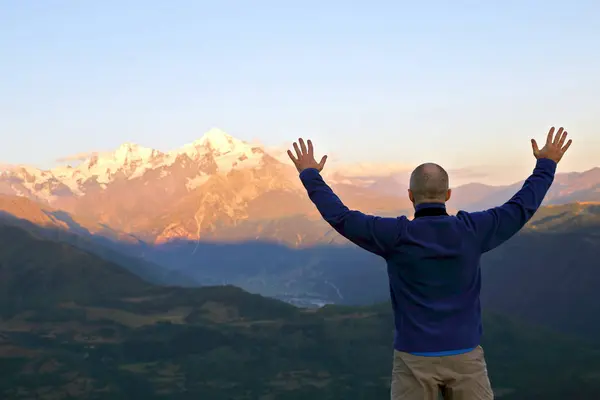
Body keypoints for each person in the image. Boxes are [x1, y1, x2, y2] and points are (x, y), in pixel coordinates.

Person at [287, 127, 572, 400]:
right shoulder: (473, 231)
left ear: (410, 196)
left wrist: (310, 174)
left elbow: (341, 217)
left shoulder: (395, 236)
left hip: (413, 358)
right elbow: (521, 207)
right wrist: (546, 165)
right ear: (448, 195)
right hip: (466, 356)